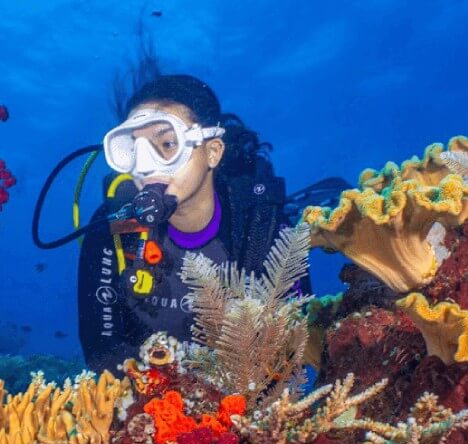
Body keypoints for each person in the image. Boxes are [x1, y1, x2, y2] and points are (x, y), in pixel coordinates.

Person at [77, 74, 306, 372]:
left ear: (213, 151)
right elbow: (100, 352)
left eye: (167, 143)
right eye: (134, 149)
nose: (144, 166)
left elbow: (295, 342)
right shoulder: (112, 229)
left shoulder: (262, 226)